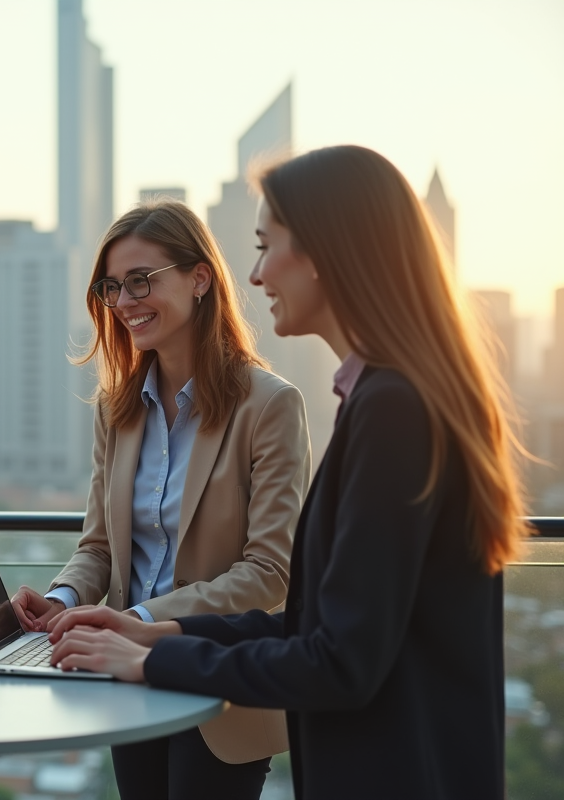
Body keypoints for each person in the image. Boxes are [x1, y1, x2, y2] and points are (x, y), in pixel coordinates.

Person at [49, 145, 528, 800]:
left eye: (266, 244)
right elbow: (323, 625)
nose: (255, 273)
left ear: (330, 253)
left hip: (395, 769)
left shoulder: (389, 409)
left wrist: (156, 649)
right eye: (112, 287)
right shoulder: (388, 399)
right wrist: (148, 631)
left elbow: (333, 651)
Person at [10, 200, 311, 799]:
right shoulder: (117, 410)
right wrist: (62, 599)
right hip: (123, 680)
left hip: (219, 686)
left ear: (200, 278)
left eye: (142, 280)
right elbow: (99, 546)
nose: (124, 302)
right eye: (112, 287)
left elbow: (271, 572)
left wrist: (140, 622)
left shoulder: (270, 406)